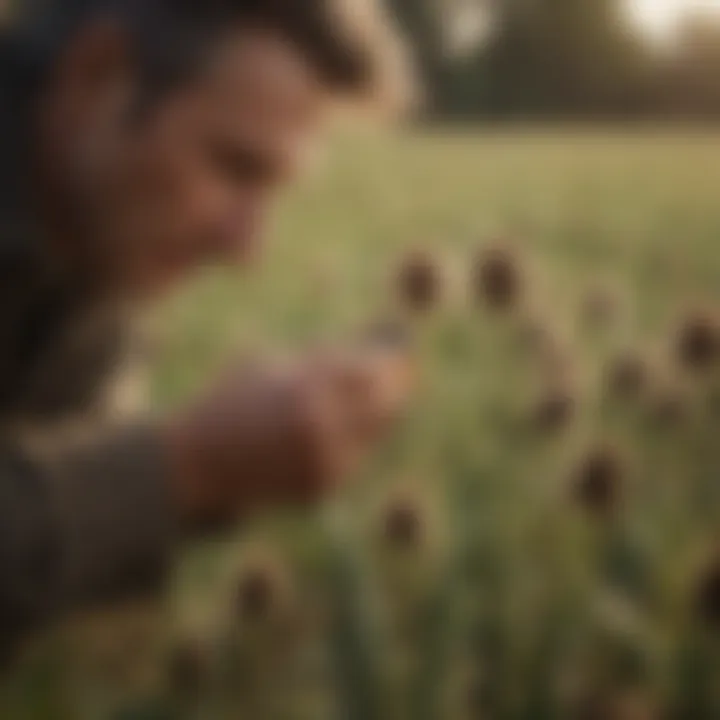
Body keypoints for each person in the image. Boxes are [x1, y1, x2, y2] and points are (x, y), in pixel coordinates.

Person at [0, 0, 413, 664]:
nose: (246, 248)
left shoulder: (94, 249)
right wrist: (188, 468)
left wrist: (206, 475)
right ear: (95, 76)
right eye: (234, 169)